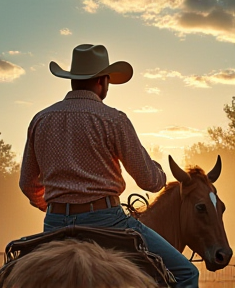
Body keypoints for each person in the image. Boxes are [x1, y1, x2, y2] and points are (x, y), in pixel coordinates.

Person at [19, 44, 199, 287]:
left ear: (72, 80)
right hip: (107, 222)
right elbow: (149, 181)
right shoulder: (113, 119)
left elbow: (28, 183)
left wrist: (57, 206)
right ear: (103, 81)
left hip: (54, 223)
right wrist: (158, 170)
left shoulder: (40, 120)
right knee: (187, 274)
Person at [3, 239, 158, 288]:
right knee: (183, 273)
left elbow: (27, 184)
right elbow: (149, 181)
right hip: (107, 216)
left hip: (55, 218)